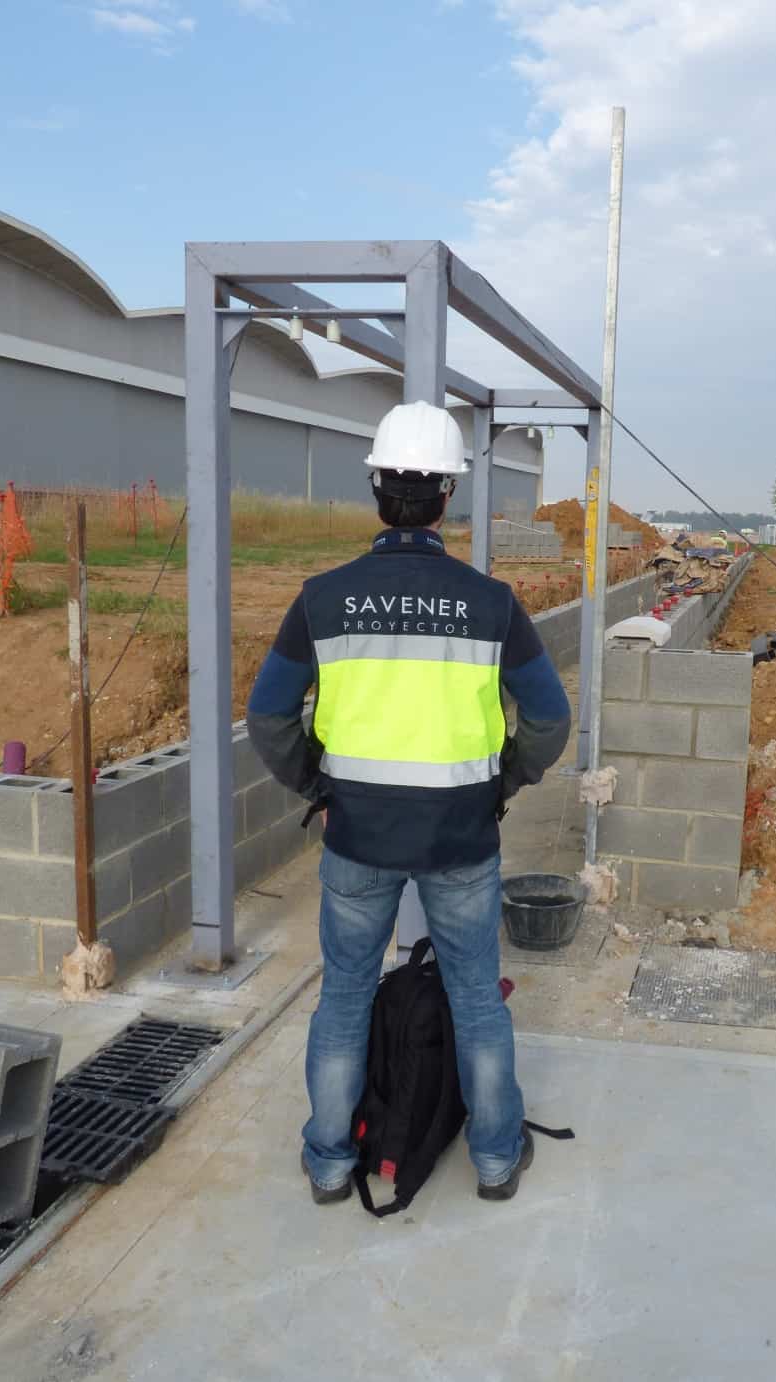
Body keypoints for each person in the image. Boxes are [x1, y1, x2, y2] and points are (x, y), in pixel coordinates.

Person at [246, 401, 573, 1204]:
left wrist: (314, 785)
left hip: (356, 833)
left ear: (376, 489)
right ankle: (496, 1159)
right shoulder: (490, 601)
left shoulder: (323, 597)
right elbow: (550, 718)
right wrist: (503, 782)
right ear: (447, 499)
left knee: (346, 997)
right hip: (461, 835)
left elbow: (266, 715)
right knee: (473, 998)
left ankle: (328, 1161)